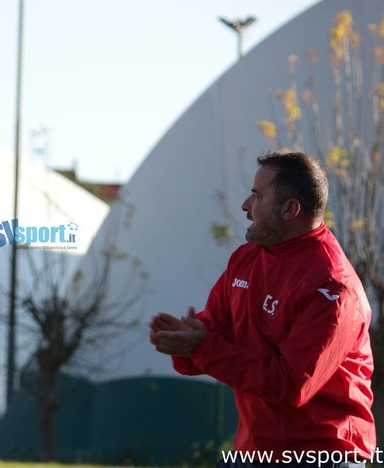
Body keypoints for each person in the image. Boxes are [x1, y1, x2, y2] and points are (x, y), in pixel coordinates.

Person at [149, 152, 376, 466]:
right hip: (255, 451)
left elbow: (291, 385)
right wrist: (184, 343)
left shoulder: (333, 288)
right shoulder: (246, 259)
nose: (245, 205)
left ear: (289, 209)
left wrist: (201, 347)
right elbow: (215, 332)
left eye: (256, 196)